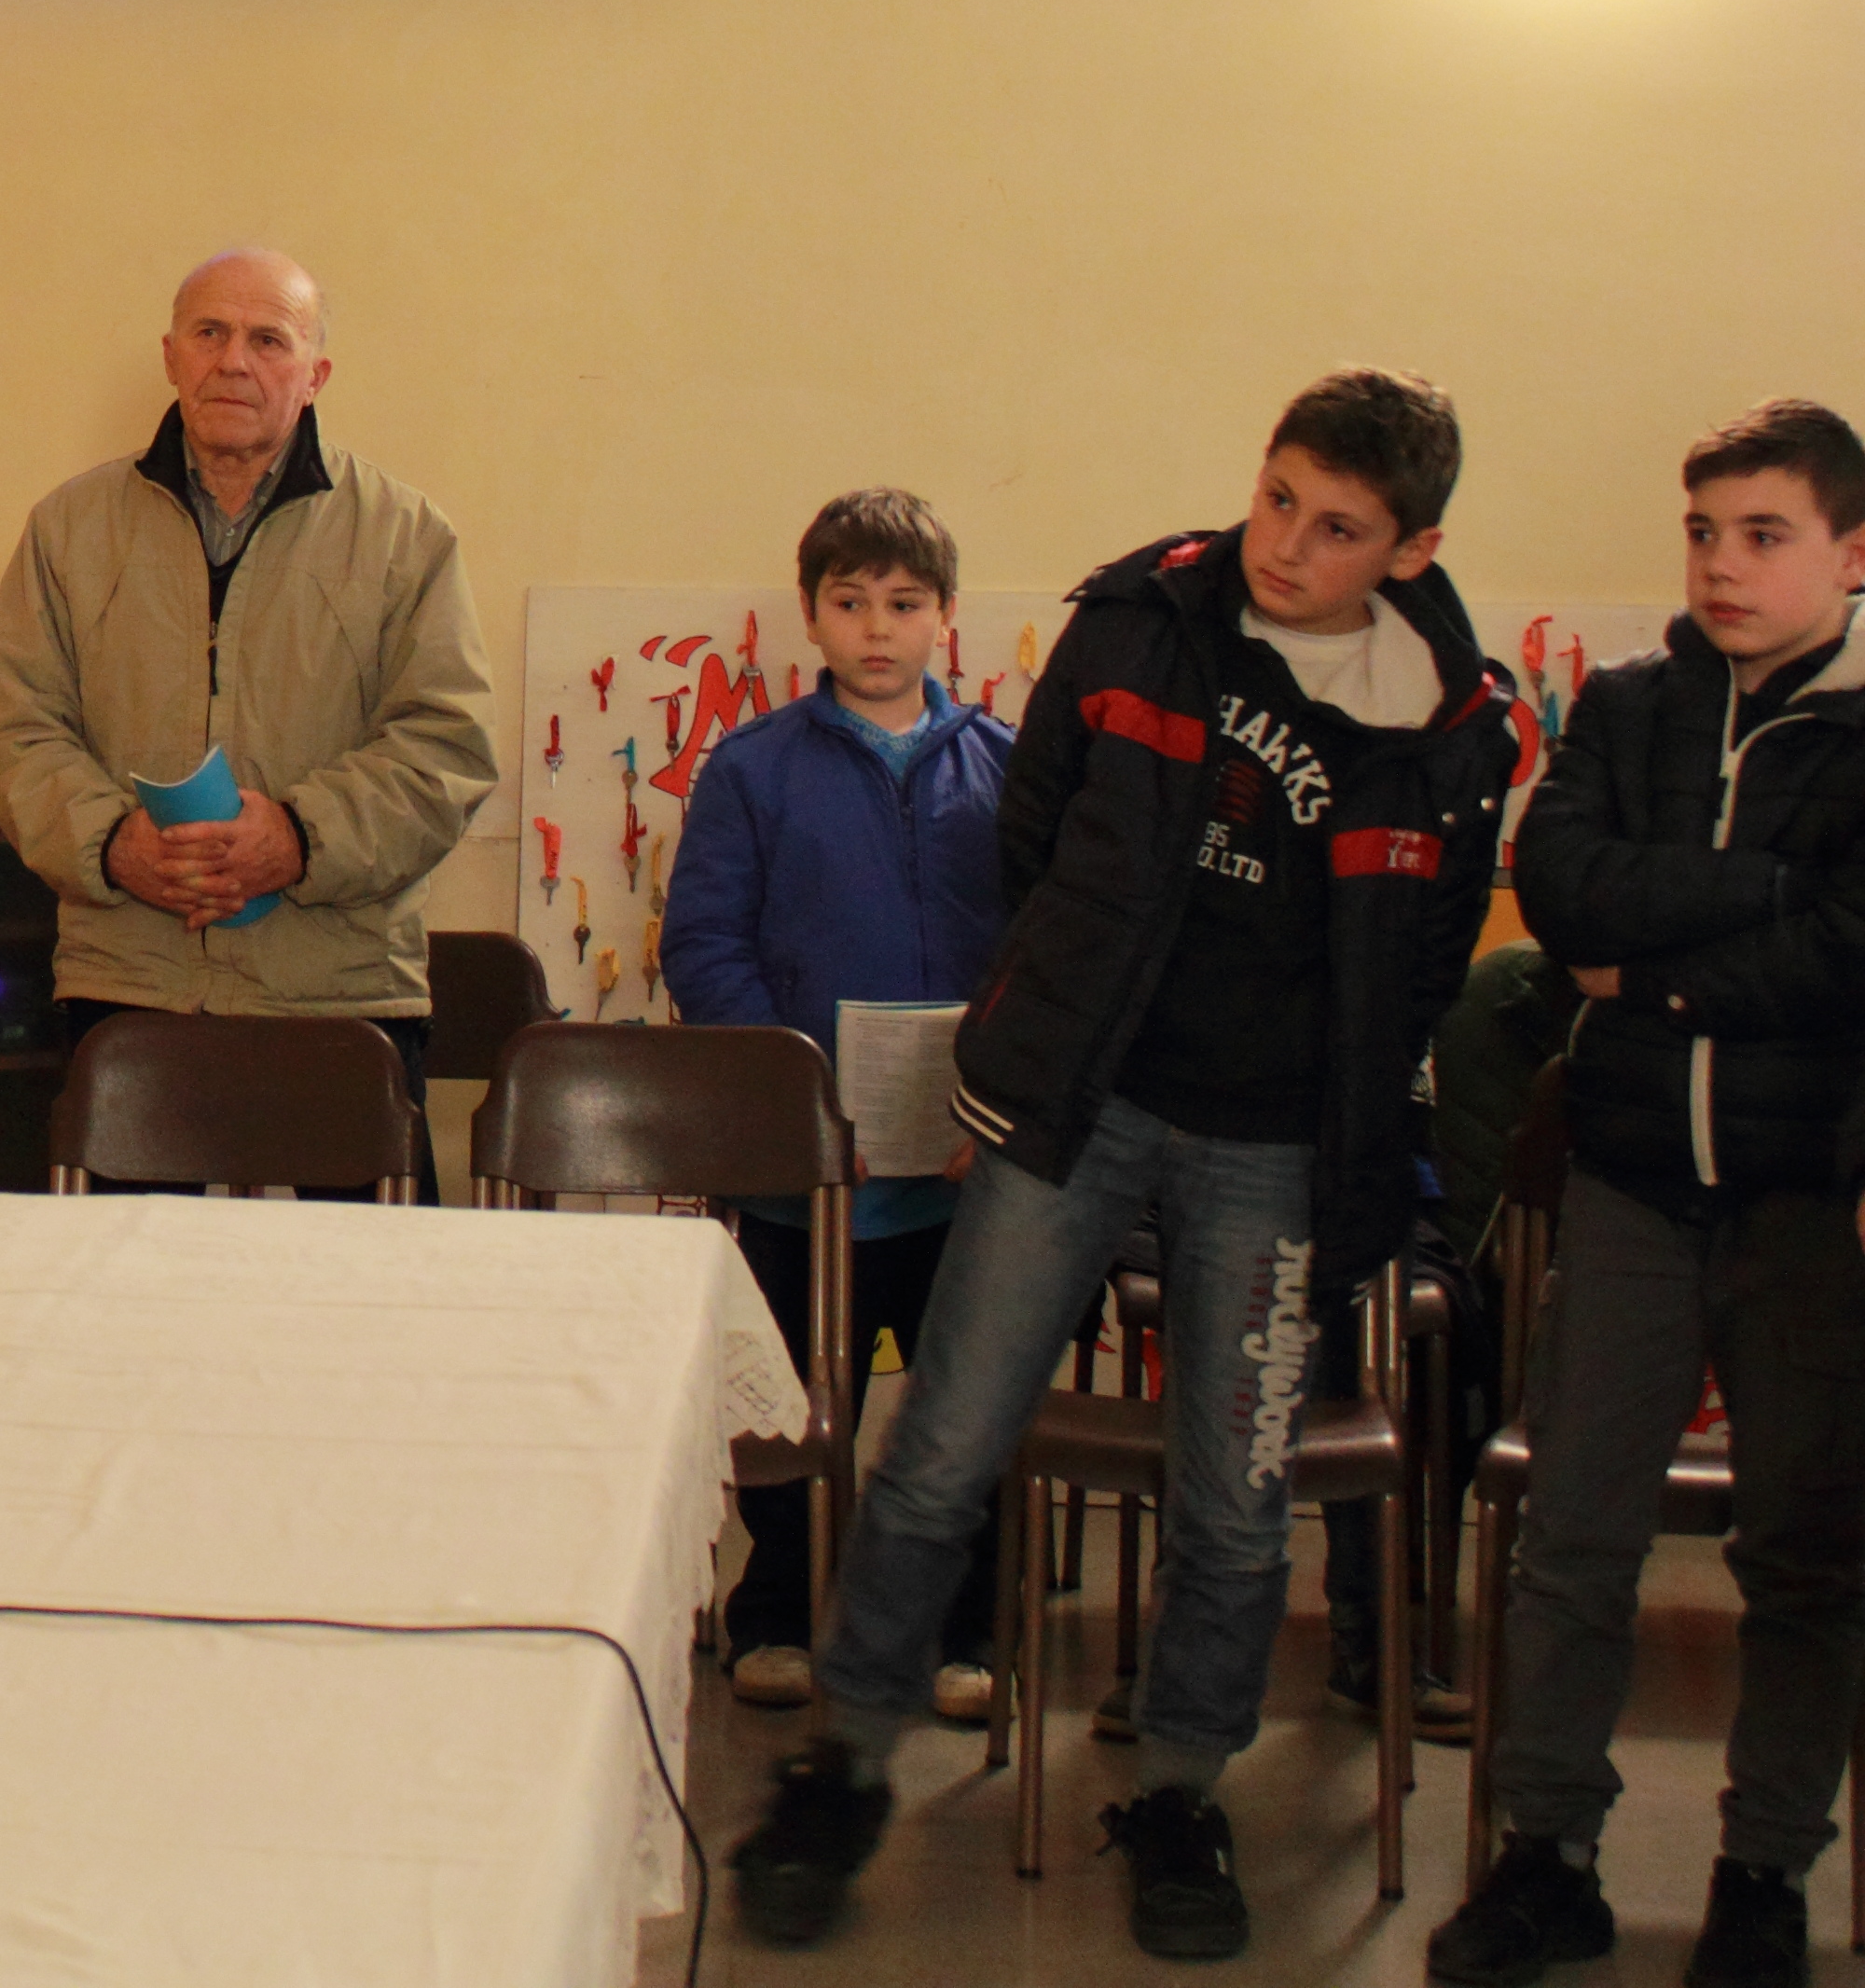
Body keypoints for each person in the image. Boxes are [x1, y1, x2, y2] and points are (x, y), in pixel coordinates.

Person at [730, 369, 1521, 1964]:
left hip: (1272, 1148)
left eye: (1337, 528)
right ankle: (845, 1762)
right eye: (1276, 496)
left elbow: (1425, 958)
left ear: (1411, 548)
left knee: (1234, 1502)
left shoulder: (1453, 725)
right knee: (939, 1446)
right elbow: (1033, 848)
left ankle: (1175, 1798)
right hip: (1074, 1111)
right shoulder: (1137, 620)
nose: (1284, 543)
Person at [1427, 399, 1865, 1988]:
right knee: (1570, 1539)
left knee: (1805, 1557)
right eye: (1701, 532)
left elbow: (1851, 951)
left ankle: (1763, 1875)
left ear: (1850, 552)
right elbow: (1562, 893)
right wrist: (1762, 894)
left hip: (1803, 1198)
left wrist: (1656, 978)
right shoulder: (1623, 706)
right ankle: (1544, 1856)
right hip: (1627, 1183)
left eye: (1762, 534)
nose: (1721, 564)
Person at [0, 248, 497, 1158]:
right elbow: (15, 731)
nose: (234, 362)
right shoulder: (68, 529)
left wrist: (300, 837)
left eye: (268, 340)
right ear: (172, 356)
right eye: (210, 333)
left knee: (361, 1258)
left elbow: (446, 747)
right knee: (127, 1255)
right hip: (129, 981)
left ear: (315, 374)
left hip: (343, 990)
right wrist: (111, 842)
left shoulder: (406, 537)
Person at [659, 487, 1011, 1724]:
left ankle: (963, 1632)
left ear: (946, 616)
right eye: (850, 602)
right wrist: (802, 1105)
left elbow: (1042, 953)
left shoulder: (1009, 769)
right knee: (796, 1410)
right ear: (809, 614)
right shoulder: (754, 769)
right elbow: (706, 945)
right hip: (805, 1175)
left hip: (964, 1171)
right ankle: (777, 1615)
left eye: (903, 604)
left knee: (962, 1415)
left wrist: (997, 1103)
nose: (876, 628)